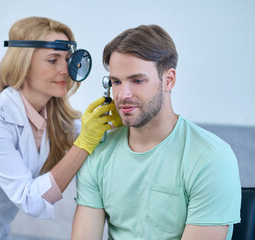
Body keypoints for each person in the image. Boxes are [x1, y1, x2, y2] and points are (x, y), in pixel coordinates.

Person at [0, 16, 121, 239]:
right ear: (23, 64)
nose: (66, 70)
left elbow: (97, 137)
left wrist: (118, 121)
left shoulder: (53, 115)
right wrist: (84, 143)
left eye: (68, 60)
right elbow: (31, 200)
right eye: (53, 60)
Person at [72, 24, 241, 240]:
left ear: (168, 80)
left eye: (138, 80)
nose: (123, 94)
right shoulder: (99, 154)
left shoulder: (209, 157)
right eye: (116, 82)